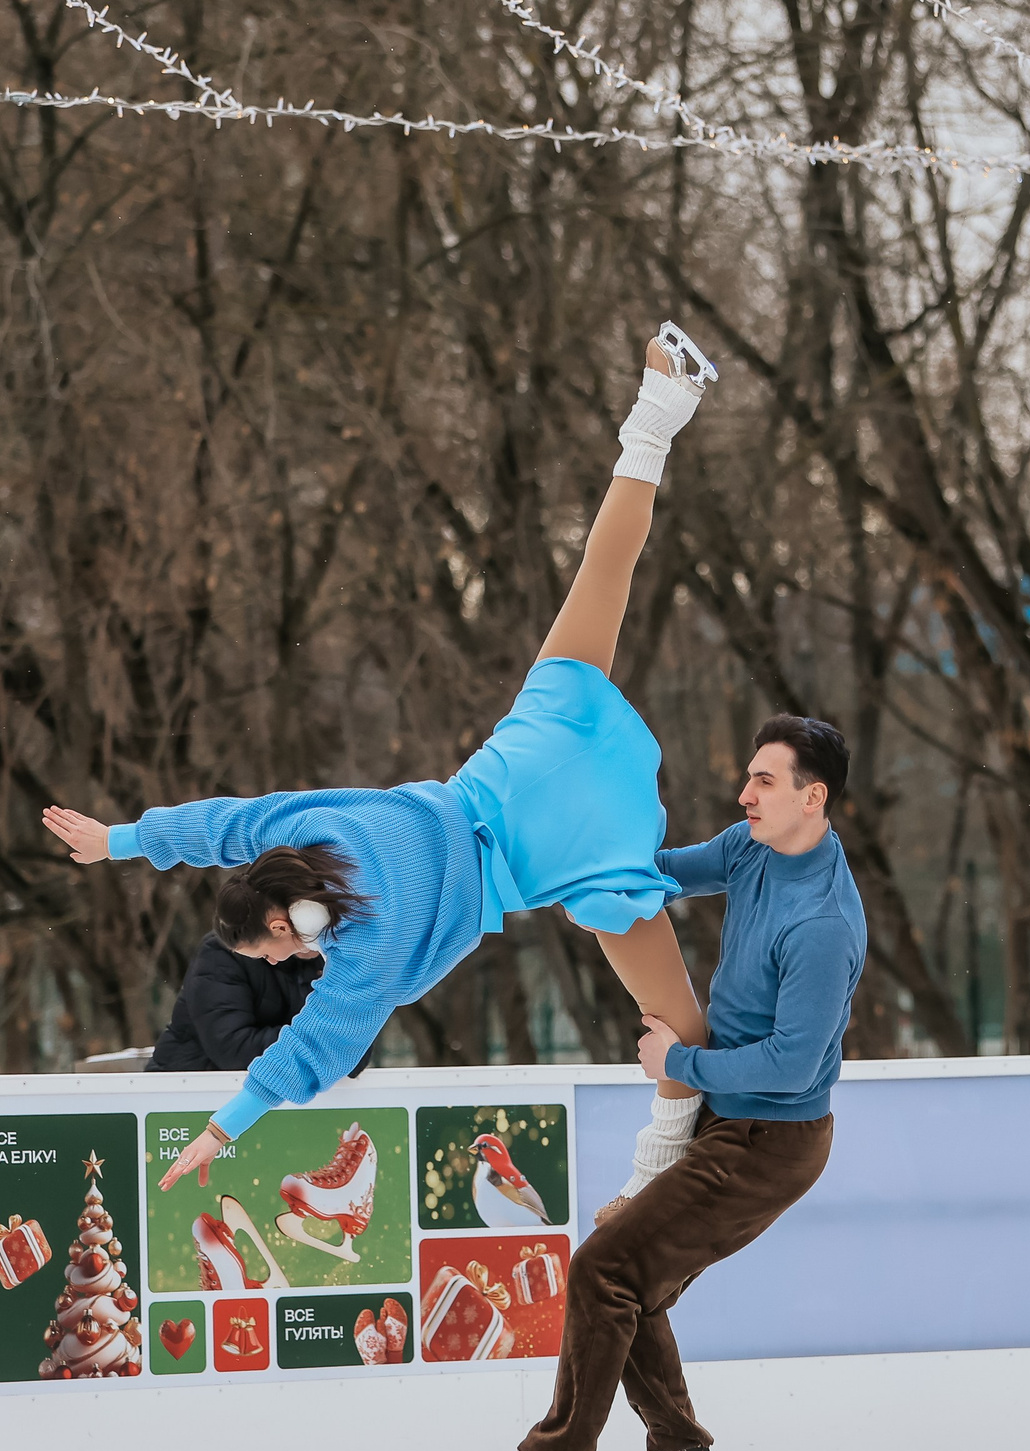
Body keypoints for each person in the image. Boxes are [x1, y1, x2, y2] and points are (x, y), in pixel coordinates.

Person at [44, 329, 715, 1187]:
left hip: (565, 848)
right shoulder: (301, 828)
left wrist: (221, 1130)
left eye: (280, 955)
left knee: (678, 1025)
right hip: (534, 752)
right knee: (603, 572)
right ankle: (660, 411)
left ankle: (668, 1161)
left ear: (293, 925)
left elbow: (314, 1047)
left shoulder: (369, 944)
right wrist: (119, 841)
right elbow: (220, 826)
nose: (290, 967)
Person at [450, 714, 867, 1451]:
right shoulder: (754, 849)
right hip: (728, 1119)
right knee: (630, 1276)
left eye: (765, 782)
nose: (744, 794)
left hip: (771, 1143)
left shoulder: (824, 924)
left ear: (812, 798)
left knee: (604, 1268)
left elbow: (790, 1064)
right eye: (748, 777)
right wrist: (572, 865)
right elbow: (665, 873)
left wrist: (678, 1059)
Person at [149, 849, 340, 1074]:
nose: (270, 961)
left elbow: (356, 1046)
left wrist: (331, 1039)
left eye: (264, 954)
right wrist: (325, 1038)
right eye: (261, 958)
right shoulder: (219, 957)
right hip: (188, 1093)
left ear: (280, 928)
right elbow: (234, 1051)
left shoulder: (334, 957)